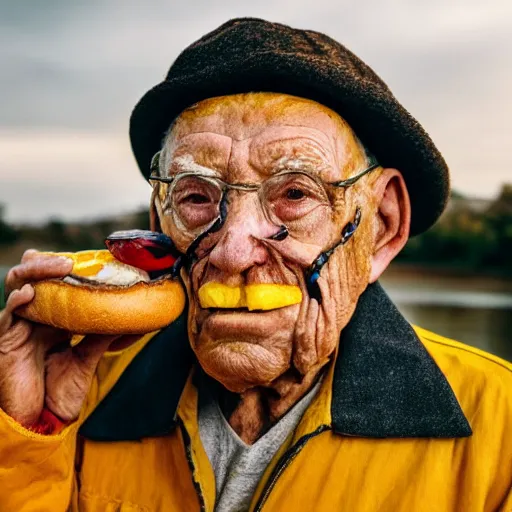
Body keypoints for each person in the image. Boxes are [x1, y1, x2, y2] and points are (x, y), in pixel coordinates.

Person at [0, 18, 511, 512]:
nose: (232, 252)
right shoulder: (77, 395)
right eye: (196, 197)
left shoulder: (501, 430)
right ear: (160, 221)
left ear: (380, 224)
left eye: (294, 193)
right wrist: (28, 433)